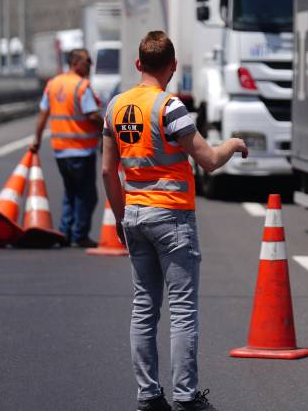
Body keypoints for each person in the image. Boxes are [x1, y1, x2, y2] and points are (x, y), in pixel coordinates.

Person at [102, 31, 247, 411]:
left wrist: (121, 219)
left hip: (134, 215)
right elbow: (209, 160)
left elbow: (106, 171)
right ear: (173, 66)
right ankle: (185, 397)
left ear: (138, 64)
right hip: (172, 218)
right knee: (182, 309)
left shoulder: (115, 106)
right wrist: (233, 144)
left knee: (144, 306)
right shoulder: (170, 107)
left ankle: (149, 396)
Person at [31, 48, 102, 247]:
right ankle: (79, 235)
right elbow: (92, 115)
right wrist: (108, 128)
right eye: (88, 61)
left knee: (71, 192)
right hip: (81, 149)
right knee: (87, 195)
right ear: (76, 63)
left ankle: (65, 232)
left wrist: (36, 139)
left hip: (61, 151)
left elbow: (43, 115)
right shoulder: (81, 86)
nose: (91, 65)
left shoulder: (53, 84)